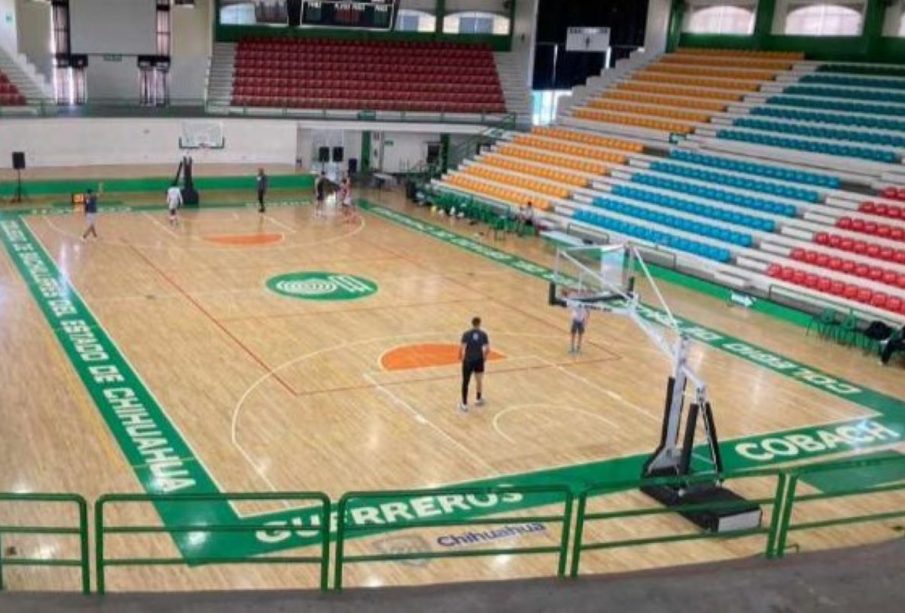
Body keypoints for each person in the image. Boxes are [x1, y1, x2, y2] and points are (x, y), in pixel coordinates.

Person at [458, 316, 489, 412]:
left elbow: (462, 347)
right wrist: (484, 357)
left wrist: (461, 356)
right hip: (479, 360)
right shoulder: (483, 334)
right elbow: (487, 349)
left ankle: (464, 404)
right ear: (479, 323)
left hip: (468, 361)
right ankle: (478, 398)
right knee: (479, 380)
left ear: (472, 323)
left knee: (465, 382)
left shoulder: (466, 334)